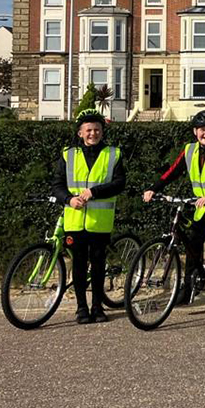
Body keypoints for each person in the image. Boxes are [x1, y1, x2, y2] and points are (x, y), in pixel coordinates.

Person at [142, 109, 205, 302]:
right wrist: (153, 189)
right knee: (193, 243)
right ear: (195, 132)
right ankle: (189, 287)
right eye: (202, 130)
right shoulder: (190, 149)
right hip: (201, 204)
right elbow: (173, 172)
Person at [51, 108, 126, 324]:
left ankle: (97, 307)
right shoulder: (68, 155)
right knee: (79, 266)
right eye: (89, 130)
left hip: (100, 222)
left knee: (98, 264)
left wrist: (94, 192)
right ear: (80, 133)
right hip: (74, 220)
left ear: (102, 131)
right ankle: (81, 308)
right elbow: (57, 185)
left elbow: (119, 183)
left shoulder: (114, 153)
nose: (93, 134)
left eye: (97, 130)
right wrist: (68, 199)